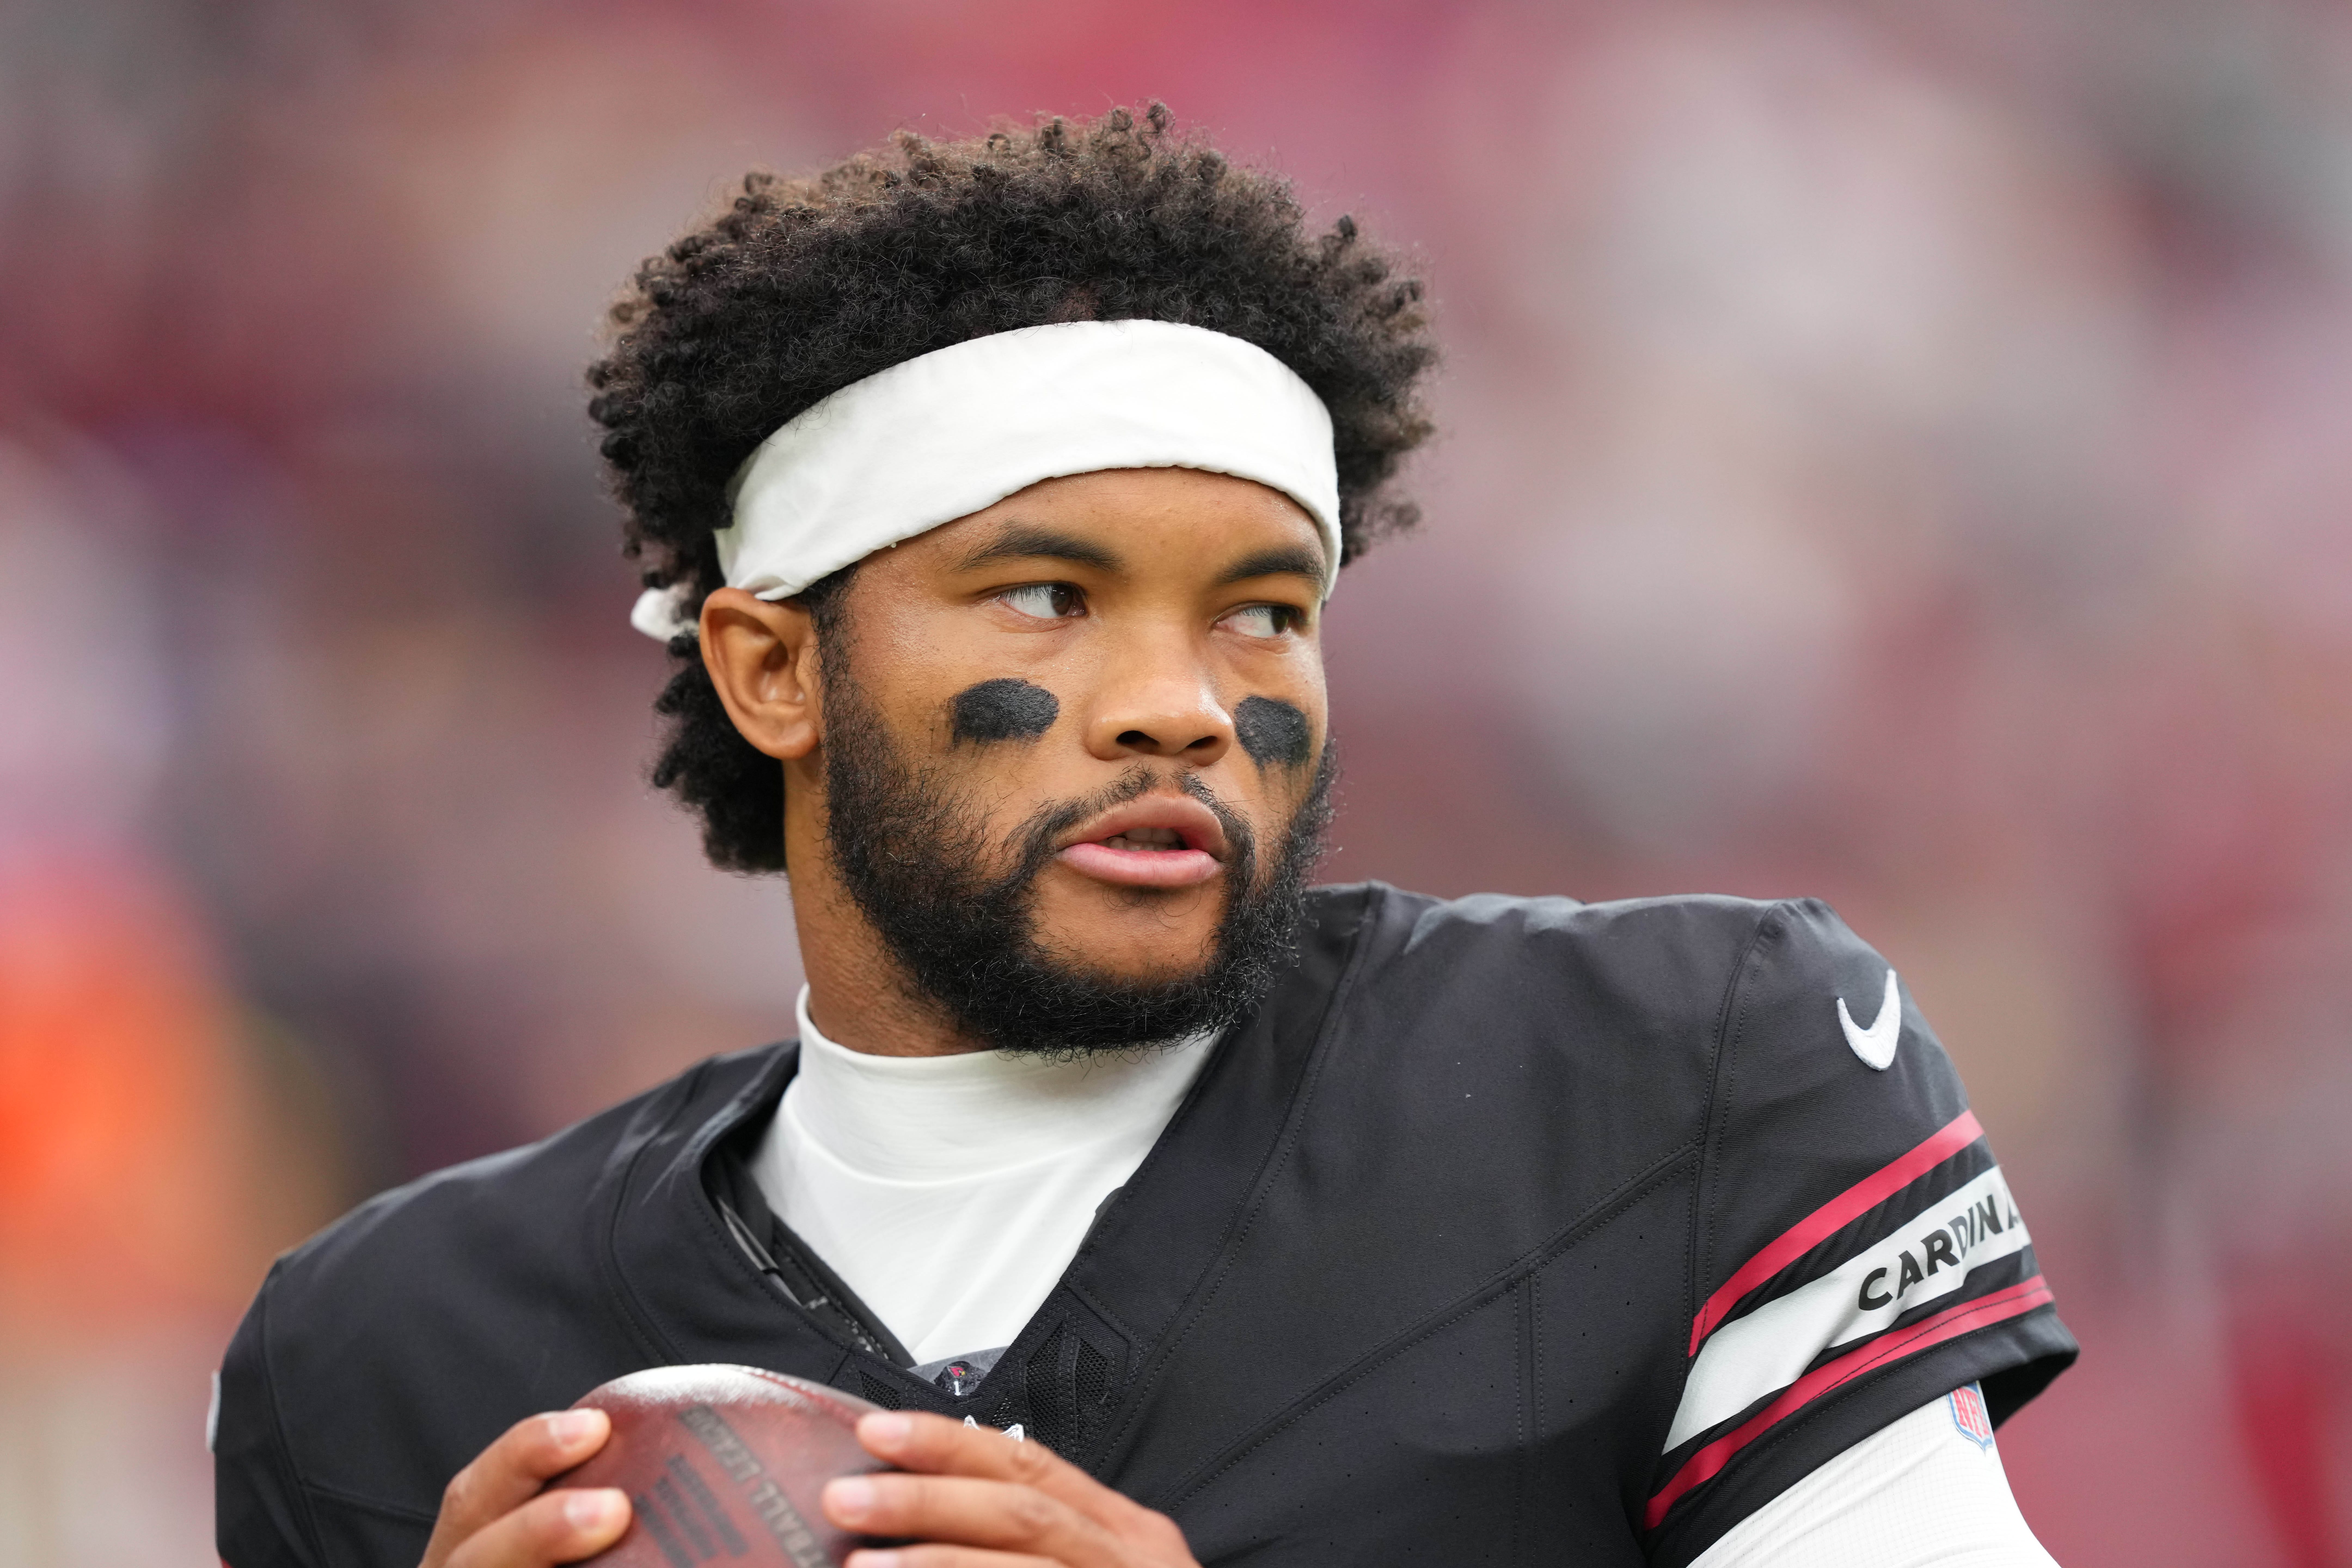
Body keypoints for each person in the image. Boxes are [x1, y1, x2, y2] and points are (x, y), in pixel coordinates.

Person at [213, 105, 2076, 1568]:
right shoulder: (385, 1354)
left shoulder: (1668, 1076)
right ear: (773, 668)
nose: (1180, 701)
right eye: (1046, 595)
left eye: (1265, 610)